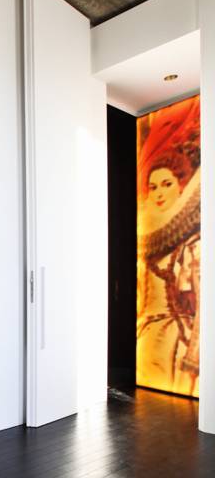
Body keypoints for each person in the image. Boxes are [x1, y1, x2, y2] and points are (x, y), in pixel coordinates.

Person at [136, 96, 200, 397]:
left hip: (173, 338)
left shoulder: (190, 245)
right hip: (146, 334)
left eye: (167, 184)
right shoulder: (147, 239)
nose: (159, 193)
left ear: (181, 186)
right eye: (153, 187)